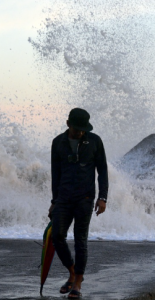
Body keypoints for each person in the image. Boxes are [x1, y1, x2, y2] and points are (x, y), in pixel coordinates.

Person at [48, 108, 108, 299]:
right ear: (68, 124)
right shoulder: (58, 143)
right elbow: (55, 175)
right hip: (64, 198)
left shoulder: (95, 141)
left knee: (80, 240)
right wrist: (54, 201)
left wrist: (102, 197)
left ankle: (79, 282)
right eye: (77, 129)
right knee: (57, 236)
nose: (81, 132)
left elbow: (103, 171)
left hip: (85, 198)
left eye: (84, 129)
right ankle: (72, 272)